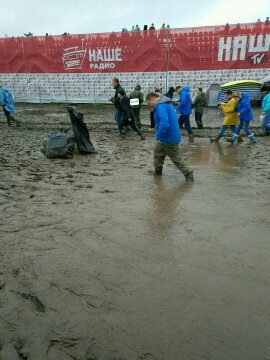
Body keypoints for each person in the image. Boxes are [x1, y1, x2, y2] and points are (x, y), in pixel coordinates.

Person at [145, 92, 194, 182]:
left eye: (148, 103)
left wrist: (158, 137)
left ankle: (189, 174)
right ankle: (158, 174)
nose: (149, 105)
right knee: (158, 152)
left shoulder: (161, 106)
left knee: (176, 158)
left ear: (152, 99)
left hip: (168, 137)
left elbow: (164, 124)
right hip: (166, 136)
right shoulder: (166, 103)